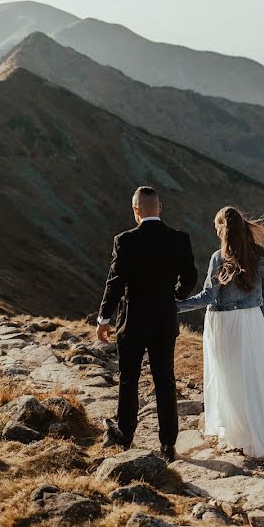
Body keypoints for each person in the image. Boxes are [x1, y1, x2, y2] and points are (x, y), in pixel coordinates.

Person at [177, 206, 264, 458]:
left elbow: (208, 296)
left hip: (223, 322)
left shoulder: (219, 257)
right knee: (252, 378)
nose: (215, 230)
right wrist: (257, 323)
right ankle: (258, 431)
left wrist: (175, 307)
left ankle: (237, 432)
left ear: (223, 229)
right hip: (252, 321)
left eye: (217, 226)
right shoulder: (261, 256)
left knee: (229, 378)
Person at [96, 186, 197, 462]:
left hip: (132, 322)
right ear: (159, 208)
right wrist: (175, 294)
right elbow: (190, 277)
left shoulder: (125, 240)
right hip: (164, 321)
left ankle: (125, 434)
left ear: (136, 210)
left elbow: (114, 283)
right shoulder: (179, 239)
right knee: (165, 380)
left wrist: (104, 317)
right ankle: (168, 445)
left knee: (129, 379)